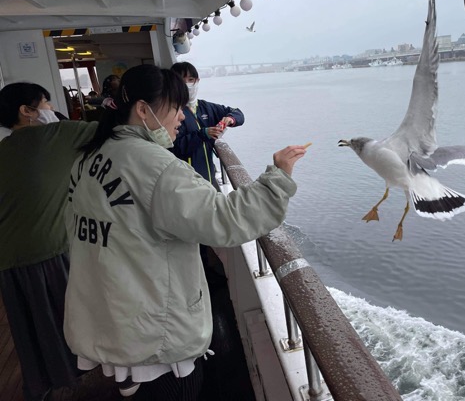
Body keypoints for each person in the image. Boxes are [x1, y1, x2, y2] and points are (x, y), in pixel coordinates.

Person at [63, 64, 306, 400]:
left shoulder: (88, 159)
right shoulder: (155, 166)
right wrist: (278, 176)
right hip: (151, 330)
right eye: (175, 107)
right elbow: (225, 220)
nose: (182, 117)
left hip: (109, 315)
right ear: (143, 109)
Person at [0, 82, 97, 401]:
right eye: (45, 104)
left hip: (9, 261)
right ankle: (85, 377)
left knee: (30, 332)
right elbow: (116, 129)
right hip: (50, 251)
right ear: (26, 111)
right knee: (70, 321)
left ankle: (39, 388)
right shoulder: (58, 134)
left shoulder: (4, 150)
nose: (51, 111)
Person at [170, 62, 244, 191]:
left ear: (197, 81)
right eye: (182, 80)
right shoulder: (169, 111)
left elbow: (238, 113)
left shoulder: (206, 107)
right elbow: (175, 148)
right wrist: (203, 134)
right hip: (184, 182)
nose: (187, 84)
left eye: (191, 80)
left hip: (208, 176)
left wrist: (230, 119)